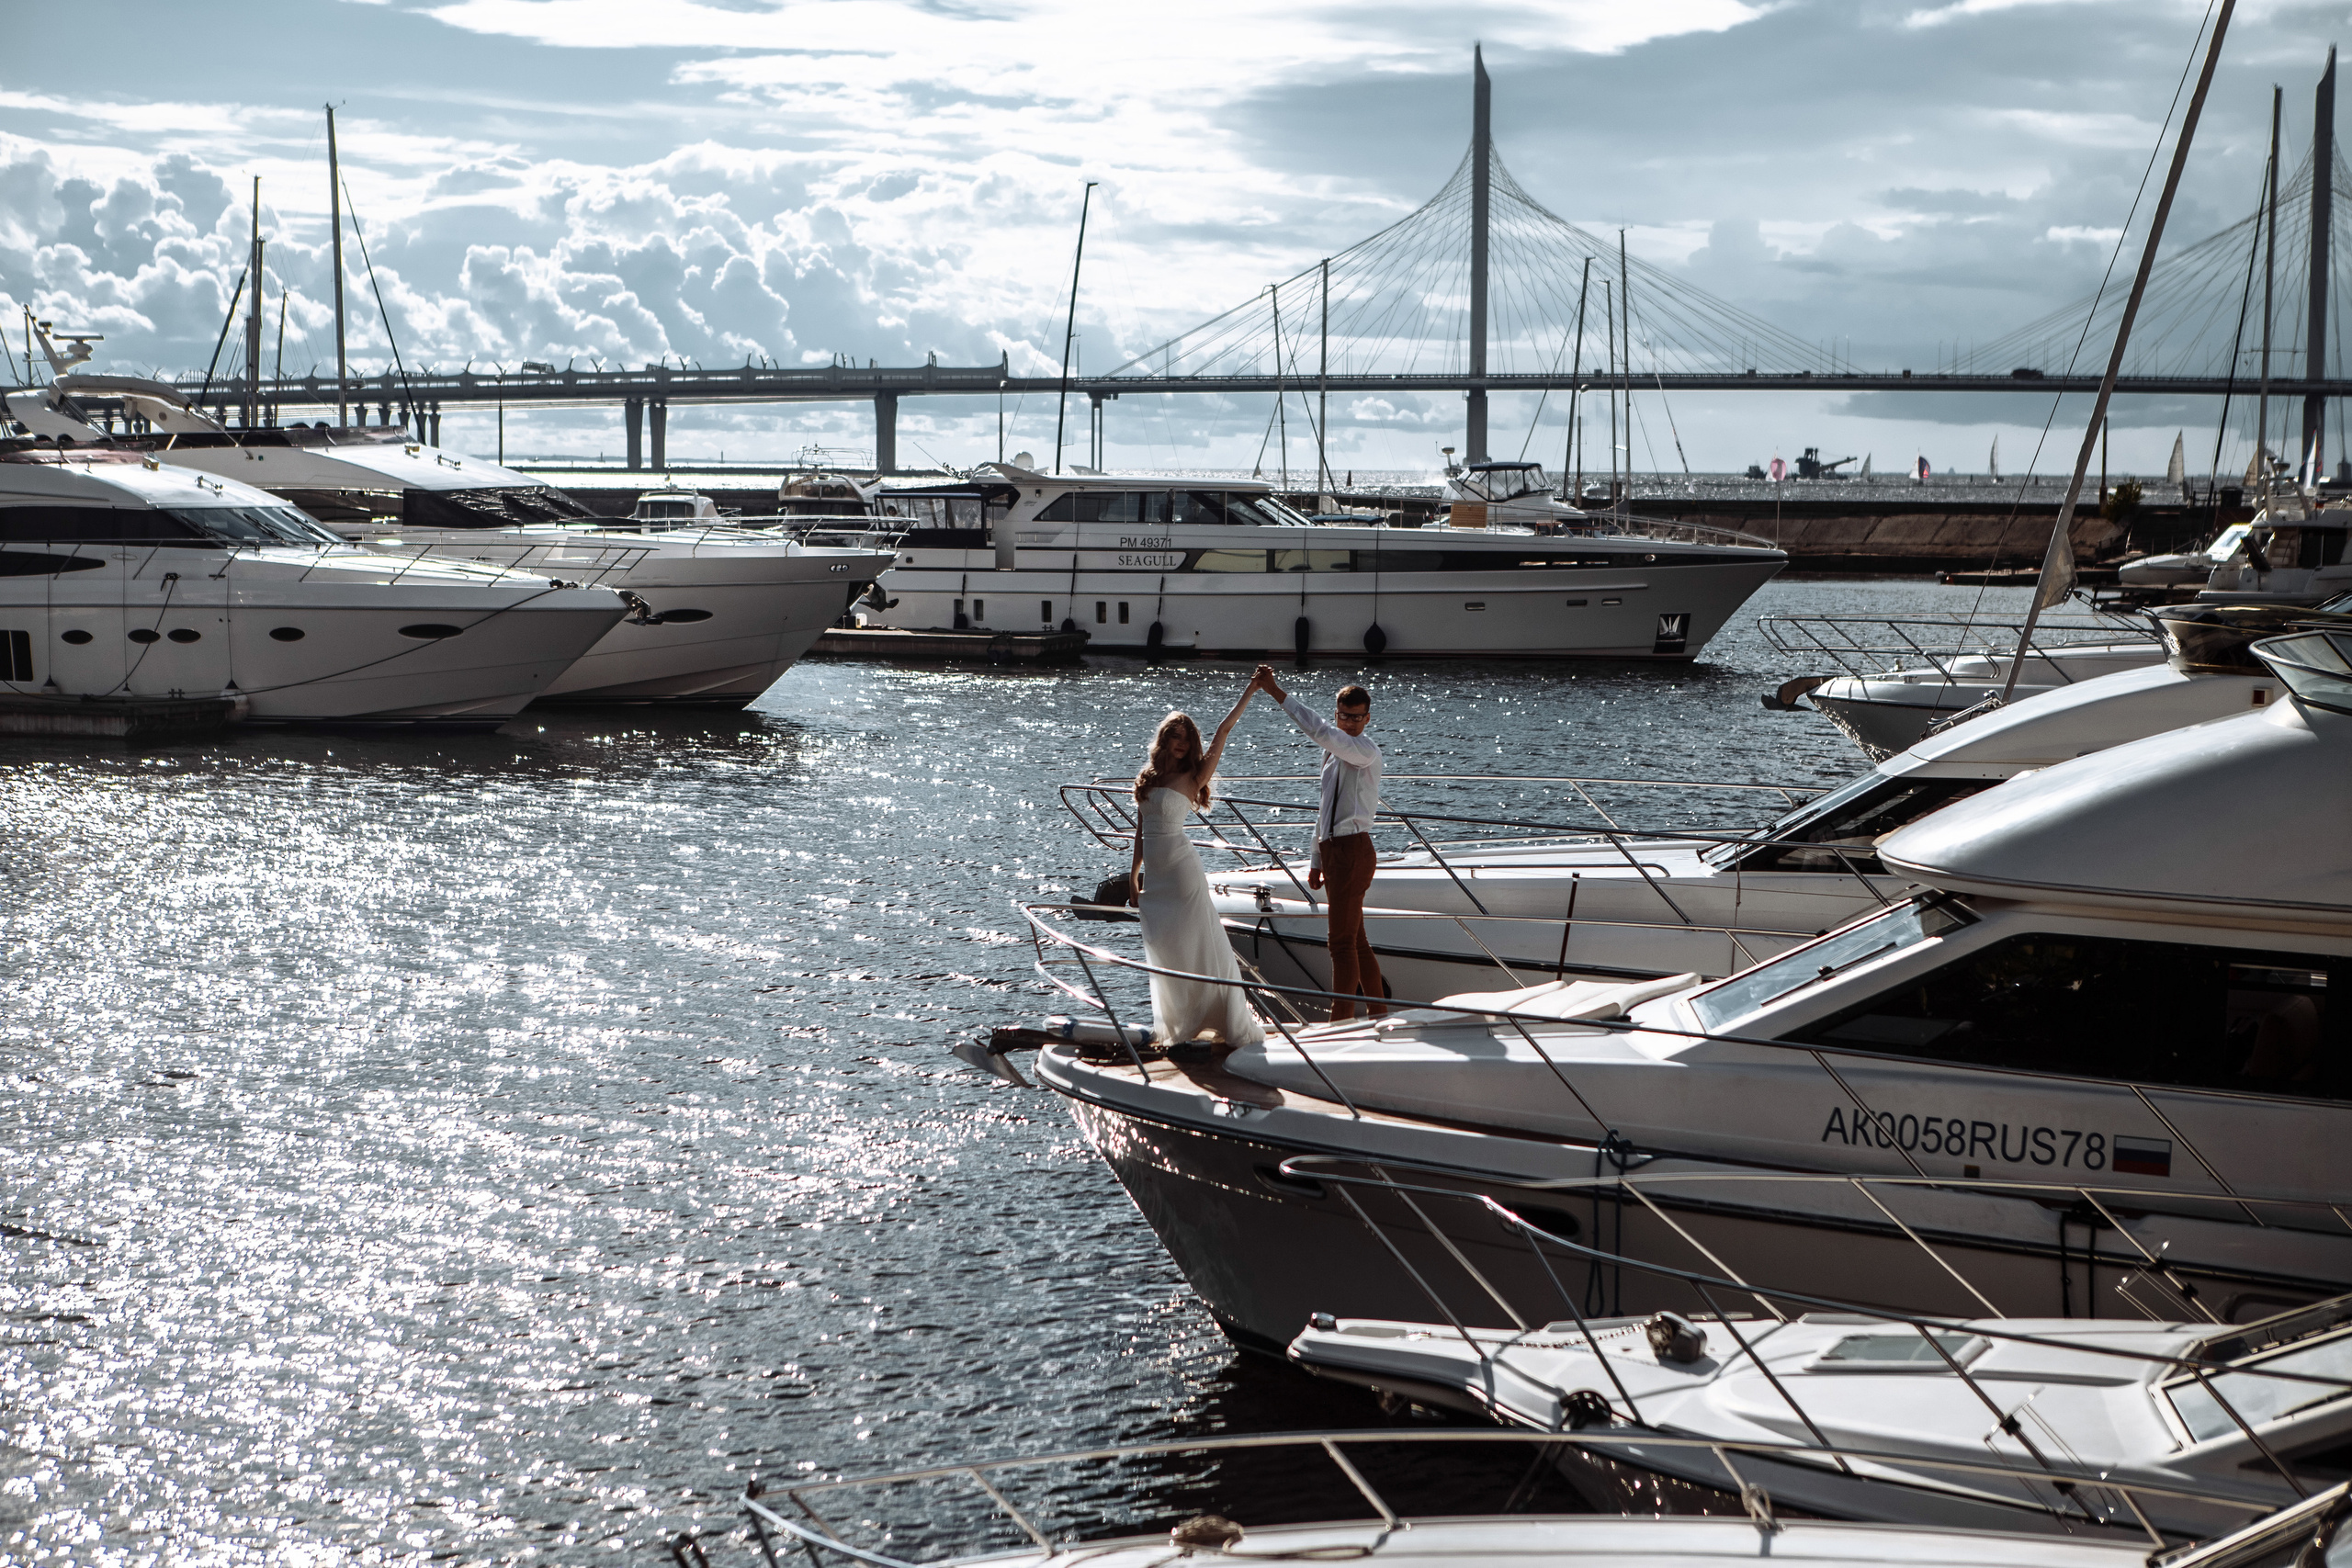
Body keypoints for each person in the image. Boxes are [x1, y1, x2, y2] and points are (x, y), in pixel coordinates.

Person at [1127, 686, 1266, 1049]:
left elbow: (1223, 730)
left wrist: (1252, 688)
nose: (1182, 744)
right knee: (1164, 946)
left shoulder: (1194, 778)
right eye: (1176, 737)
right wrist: (1134, 875)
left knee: (1194, 944)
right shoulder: (1148, 778)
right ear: (1164, 740)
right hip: (1156, 877)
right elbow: (1141, 831)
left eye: (1187, 740)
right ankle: (1181, 1021)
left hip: (1181, 871)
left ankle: (1213, 1017)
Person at [1254, 667, 1385, 1021]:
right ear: (1337, 714)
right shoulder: (1332, 753)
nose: (1350, 723)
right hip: (1336, 851)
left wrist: (1276, 692)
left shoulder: (1364, 750)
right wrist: (1316, 859)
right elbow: (1325, 808)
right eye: (1344, 716)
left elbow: (1319, 731)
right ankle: (1378, 1013)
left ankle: (1339, 1022)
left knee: (1340, 943)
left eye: (1356, 717)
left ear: (1367, 718)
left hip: (1353, 851)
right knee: (1355, 941)